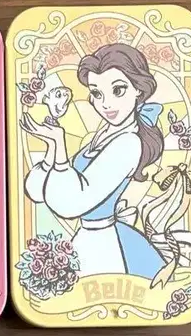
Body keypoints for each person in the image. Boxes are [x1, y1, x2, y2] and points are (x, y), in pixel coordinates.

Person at [21, 42, 166, 279]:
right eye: (97, 94)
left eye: (118, 90)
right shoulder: (103, 133)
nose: (106, 104)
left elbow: (72, 203)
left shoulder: (129, 143)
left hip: (107, 244)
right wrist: (52, 147)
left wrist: (59, 144)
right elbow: (38, 192)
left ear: (138, 90)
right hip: (88, 237)